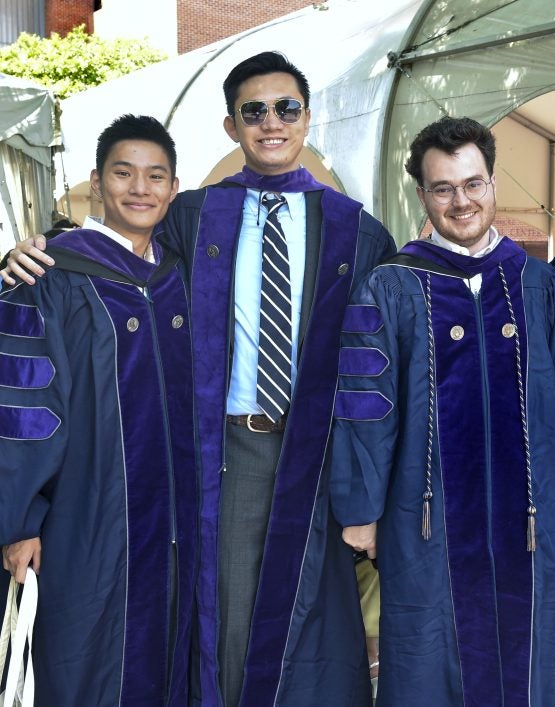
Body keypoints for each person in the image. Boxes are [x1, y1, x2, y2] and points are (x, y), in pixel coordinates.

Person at [3, 51, 396, 706]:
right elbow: (121, 252)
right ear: (230, 125)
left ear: (307, 117)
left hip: (319, 456)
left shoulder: (358, 231)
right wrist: (26, 252)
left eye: (286, 108)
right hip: (222, 455)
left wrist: (368, 491)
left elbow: (376, 365)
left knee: (316, 624)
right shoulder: (195, 215)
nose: (271, 122)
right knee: (226, 612)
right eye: (254, 111)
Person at [332, 116, 555, 706]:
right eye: (443, 188)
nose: (460, 201)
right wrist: (363, 512)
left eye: (473, 184)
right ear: (422, 195)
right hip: (425, 516)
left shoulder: (535, 282)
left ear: (492, 184)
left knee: (526, 652)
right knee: (425, 654)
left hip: (529, 516)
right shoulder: (391, 285)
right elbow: (365, 408)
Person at [0, 115, 198, 705]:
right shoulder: (48, 275)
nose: (140, 188)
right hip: (84, 517)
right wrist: (21, 522)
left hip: (176, 519)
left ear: (173, 189)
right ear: (95, 182)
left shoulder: (179, 277)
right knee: (83, 655)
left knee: (169, 652)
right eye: (124, 173)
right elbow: (22, 409)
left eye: (155, 176)